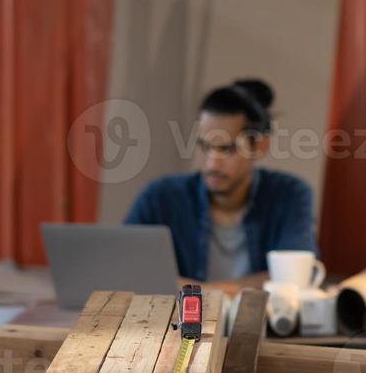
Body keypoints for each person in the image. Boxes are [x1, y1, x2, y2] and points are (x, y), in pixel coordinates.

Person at [125, 79, 315, 292]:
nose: (212, 162)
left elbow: (293, 278)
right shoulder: (160, 197)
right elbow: (127, 269)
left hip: (257, 323)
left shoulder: (289, 194)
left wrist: (199, 292)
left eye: (227, 149)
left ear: (260, 146)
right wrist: (222, 293)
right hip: (176, 324)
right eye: (204, 146)